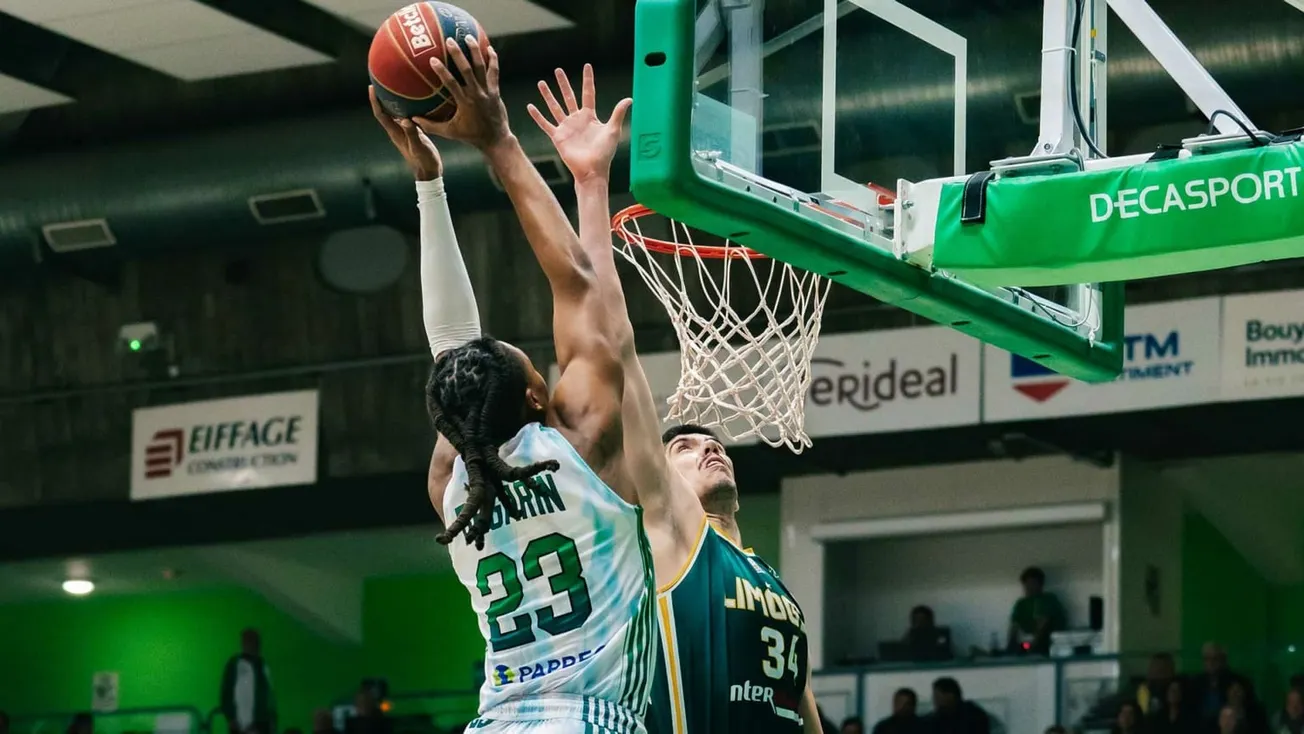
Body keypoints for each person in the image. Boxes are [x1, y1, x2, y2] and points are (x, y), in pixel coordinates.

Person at [372, 37, 654, 732]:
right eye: (534, 362)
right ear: (536, 397)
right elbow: (579, 285)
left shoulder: (456, 486)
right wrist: (497, 140)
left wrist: (428, 183)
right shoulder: (582, 449)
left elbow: (450, 348)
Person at [526, 66, 820, 732]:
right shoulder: (671, 532)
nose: (707, 443)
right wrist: (592, 185)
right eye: (681, 447)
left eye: (705, 441)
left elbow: (803, 709)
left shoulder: (771, 584)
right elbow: (617, 348)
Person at [219, 628, 275, 734]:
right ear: (243, 643)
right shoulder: (235, 664)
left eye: (255, 642)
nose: (253, 645)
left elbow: (270, 696)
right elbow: (226, 693)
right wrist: (231, 718)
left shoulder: (263, 666)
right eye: (249, 641)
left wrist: (271, 722)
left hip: (262, 726)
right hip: (240, 726)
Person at [1007, 567, 1066, 655]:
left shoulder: (1048, 599)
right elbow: (1014, 626)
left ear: (1041, 584)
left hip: (1050, 645)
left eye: (1032, 583)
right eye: (1026, 584)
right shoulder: (1021, 604)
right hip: (1027, 644)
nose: (1029, 587)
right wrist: (1011, 647)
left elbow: (1042, 624)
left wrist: (1032, 647)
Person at [925, 678, 989, 734]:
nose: (934, 699)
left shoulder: (973, 716)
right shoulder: (937, 716)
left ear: (950, 695)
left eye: (937, 696)